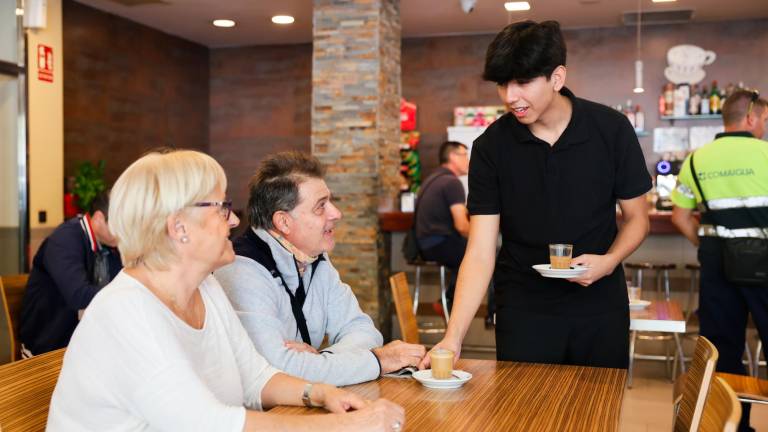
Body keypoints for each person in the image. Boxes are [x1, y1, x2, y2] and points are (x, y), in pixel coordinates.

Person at [47, 150, 404, 432]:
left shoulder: (207, 288)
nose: (235, 221)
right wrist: (347, 426)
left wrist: (321, 392)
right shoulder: (126, 313)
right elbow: (210, 424)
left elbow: (255, 377)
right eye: (223, 209)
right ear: (179, 227)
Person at [420, 20, 651, 370]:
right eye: (502, 84)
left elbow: (637, 219)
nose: (510, 97)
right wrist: (453, 338)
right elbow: (481, 251)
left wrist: (610, 261)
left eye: (523, 82)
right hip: (523, 308)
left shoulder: (611, 130)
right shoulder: (490, 147)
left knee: (596, 417)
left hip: (600, 305)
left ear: (557, 78)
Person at [215, 151, 426, 386]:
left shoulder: (314, 258)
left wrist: (323, 361)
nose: (336, 214)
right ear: (283, 222)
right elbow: (274, 373)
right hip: (262, 417)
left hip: (303, 406)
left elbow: (363, 330)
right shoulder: (241, 269)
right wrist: (377, 361)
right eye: (321, 207)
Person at [671, 89, 768, 432]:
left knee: (723, 353)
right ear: (751, 118)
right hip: (764, 265)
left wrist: (712, 243)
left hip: (717, 265)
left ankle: (735, 426)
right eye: (765, 121)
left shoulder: (697, 160)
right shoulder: (766, 153)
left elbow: (680, 218)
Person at [19, 192, 122, 357]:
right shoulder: (65, 239)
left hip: (79, 342)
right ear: (98, 218)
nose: (124, 232)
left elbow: (121, 280)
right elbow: (78, 295)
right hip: (47, 347)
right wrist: (125, 293)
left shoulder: (108, 245)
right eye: (121, 225)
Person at [415, 141, 492, 322]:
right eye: (464, 155)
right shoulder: (451, 183)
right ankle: (487, 313)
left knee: (473, 254)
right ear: (452, 157)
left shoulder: (432, 178)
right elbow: (462, 226)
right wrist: (485, 235)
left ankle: (448, 301)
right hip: (438, 243)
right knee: (486, 256)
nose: (468, 160)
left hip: (425, 245)